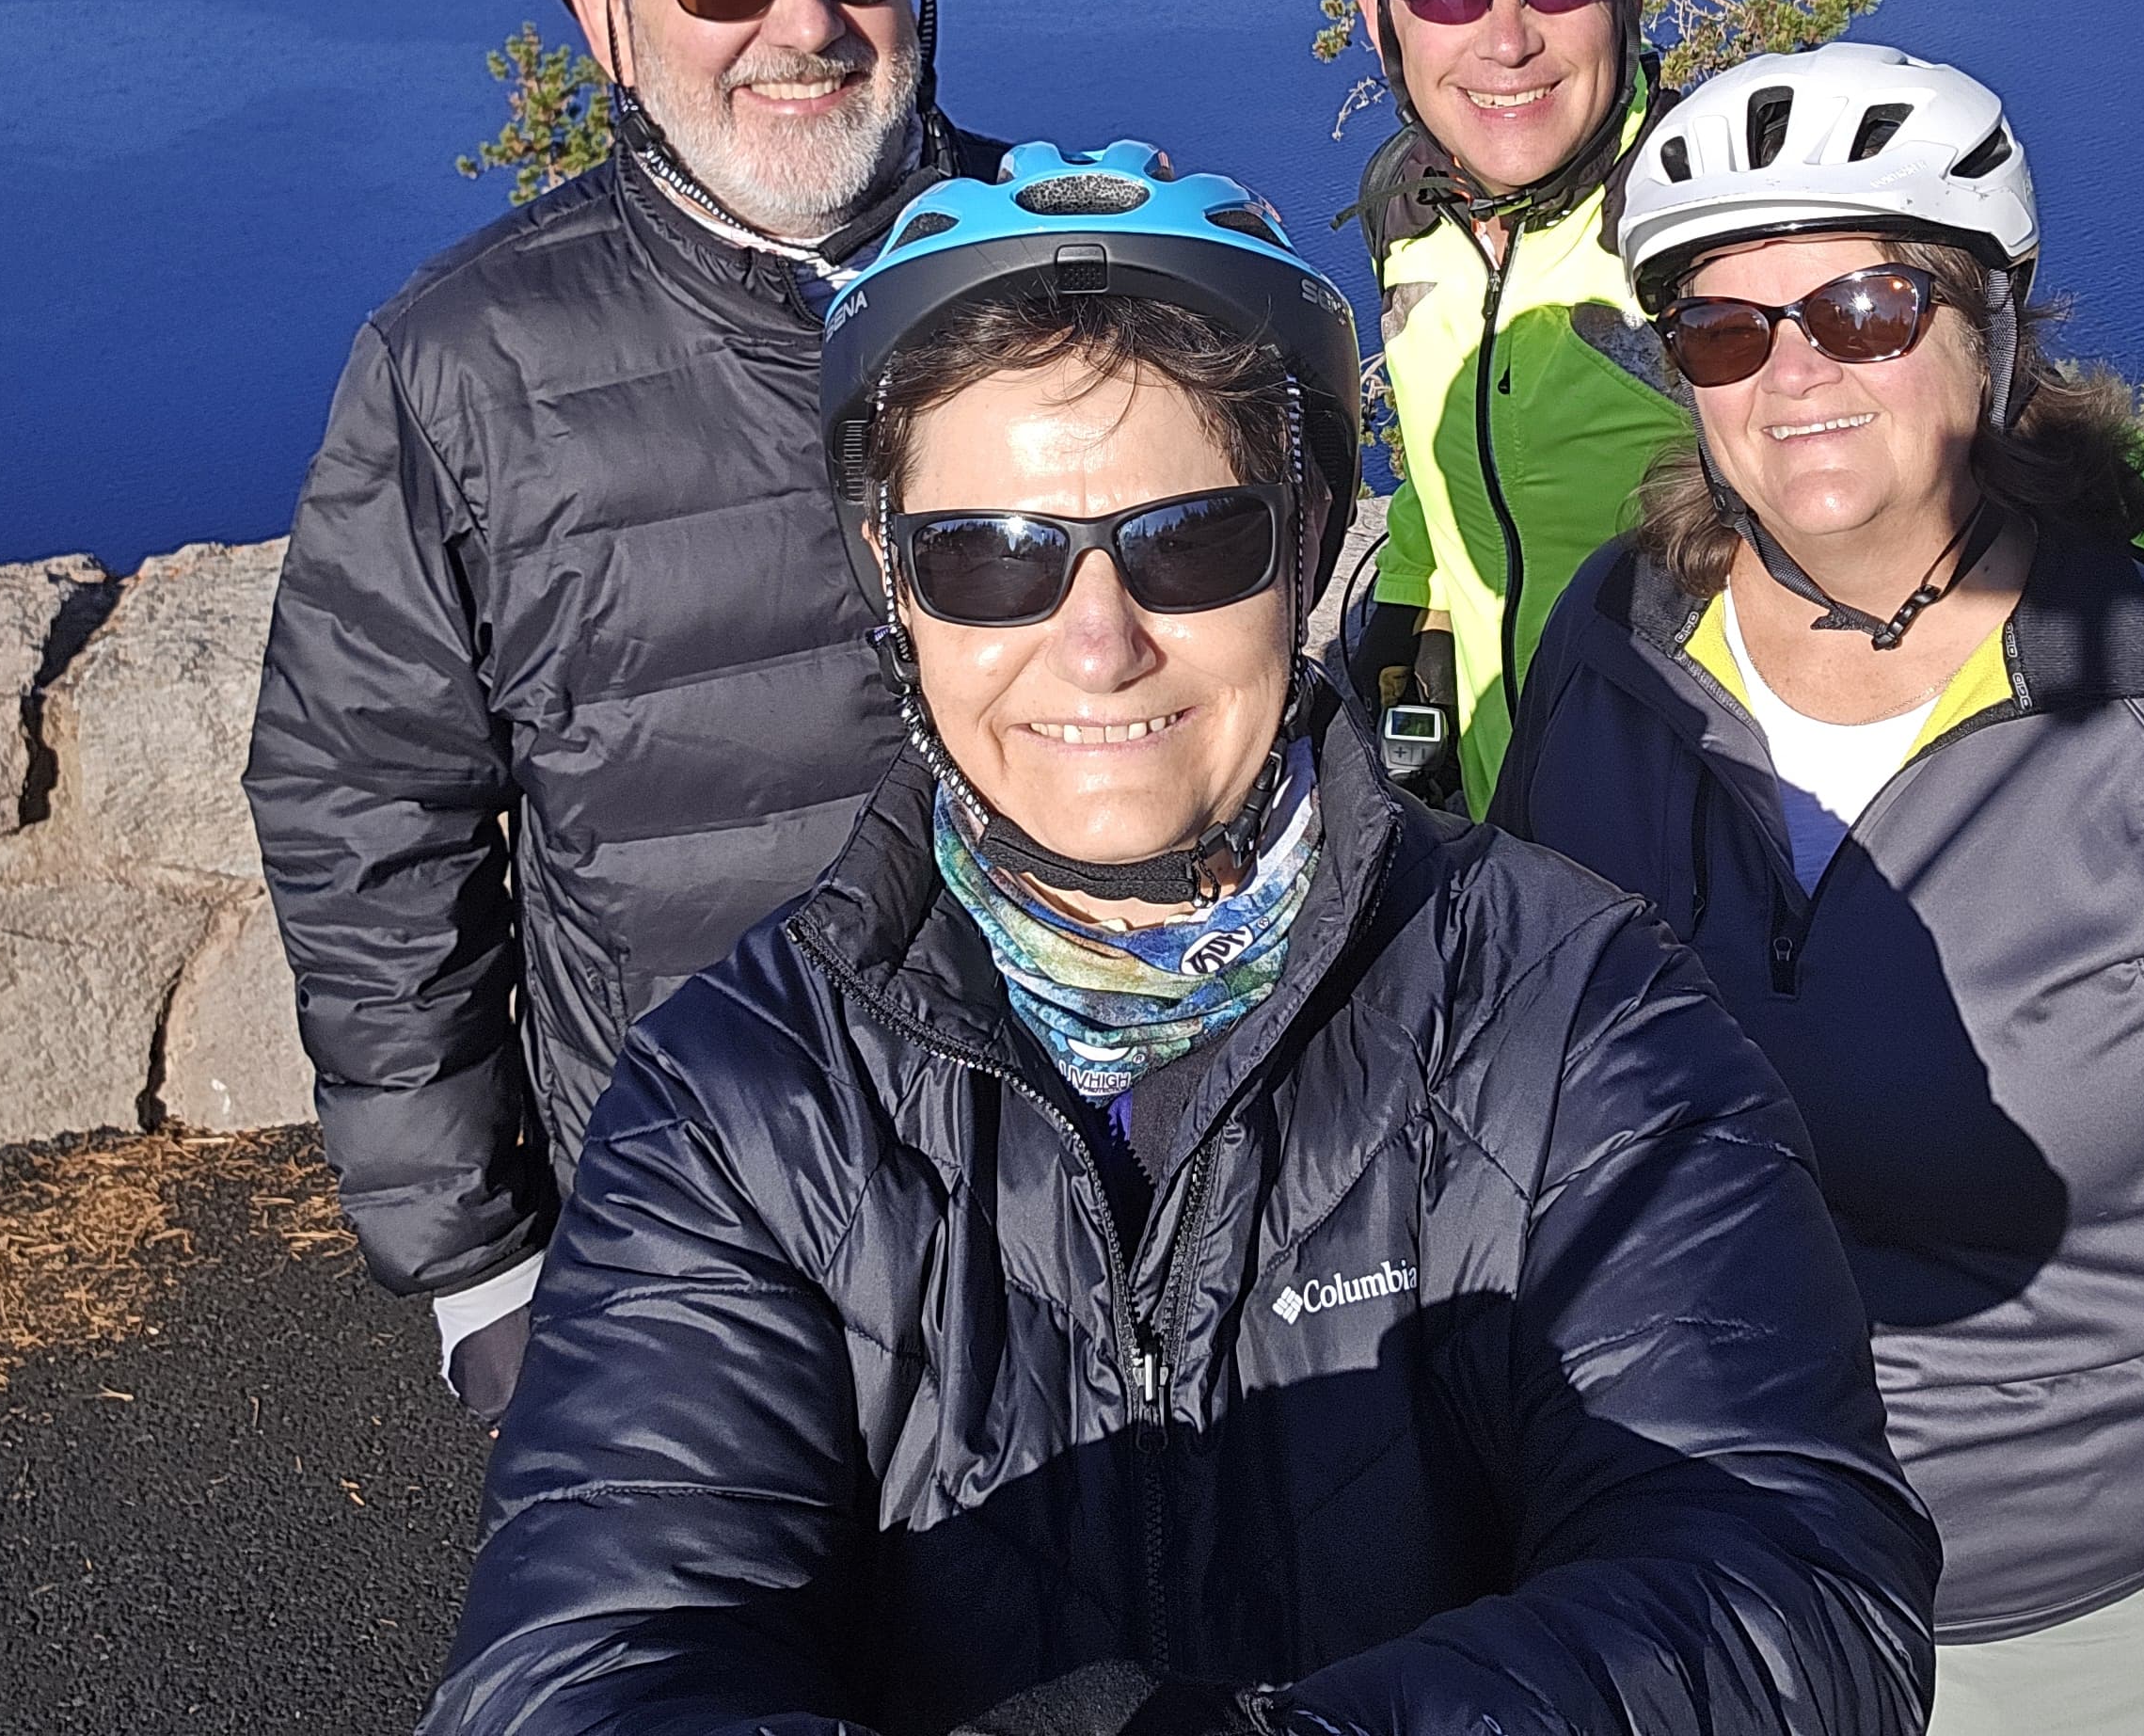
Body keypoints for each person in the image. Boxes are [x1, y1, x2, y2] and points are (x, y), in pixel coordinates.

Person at [429, 143, 1941, 1736]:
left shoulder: (1572, 1017)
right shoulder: (739, 1102)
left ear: (1298, 546)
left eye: (1188, 544)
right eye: (988, 559)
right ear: (894, 585)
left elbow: (1794, 1580)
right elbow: (587, 1662)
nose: (1096, 644)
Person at [1494, 41, 2144, 1736]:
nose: (1795, 372)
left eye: (1870, 308)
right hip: (1670, 1562)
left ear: (1992, 332)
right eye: (1726, 329)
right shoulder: (1621, 640)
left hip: (2055, 1614)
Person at [244, 0, 1003, 1425]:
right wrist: (478, 1270)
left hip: (1095, 1199)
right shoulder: (468, 370)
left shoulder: (1071, 274)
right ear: (599, 8)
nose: (807, 21)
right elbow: (365, 815)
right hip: (696, 1235)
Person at [1320, 0, 2144, 816]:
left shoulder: (1712, 230)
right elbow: (1444, 464)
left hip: (1705, 822)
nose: (1506, 42)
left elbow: (2014, 419)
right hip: (1508, 805)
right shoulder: (1412, 208)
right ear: (1379, 20)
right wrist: (1413, 610)